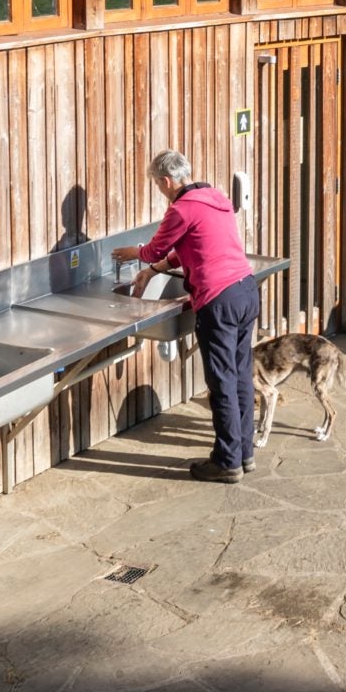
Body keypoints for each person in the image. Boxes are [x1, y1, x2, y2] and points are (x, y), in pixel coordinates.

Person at [115, 149, 260, 482]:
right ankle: (244, 453)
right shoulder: (215, 197)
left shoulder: (180, 209)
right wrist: (154, 270)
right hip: (245, 290)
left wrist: (135, 254)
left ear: (166, 181)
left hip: (219, 299)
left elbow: (155, 248)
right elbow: (190, 247)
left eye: (157, 184)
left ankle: (227, 463)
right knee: (240, 375)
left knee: (222, 382)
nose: (160, 190)